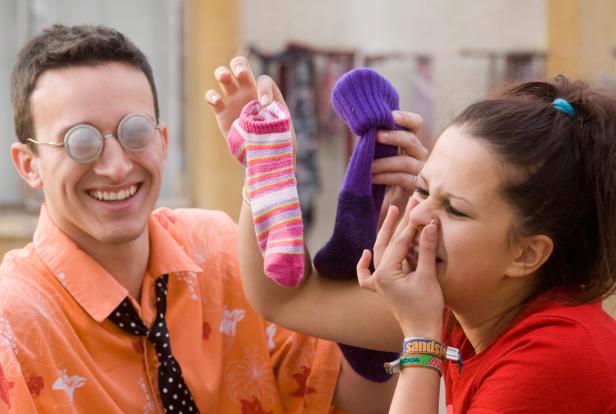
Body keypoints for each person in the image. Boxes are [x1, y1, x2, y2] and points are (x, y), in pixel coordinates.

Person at [0, 24, 426, 413]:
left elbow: (357, 401)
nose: (116, 167)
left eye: (134, 133)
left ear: (163, 143)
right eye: (81, 142)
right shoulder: (11, 327)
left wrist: (387, 226)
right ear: (28, 164)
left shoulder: (220, 249)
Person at [209, 64, 616, 413]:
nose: (418, 215)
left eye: (454, 209)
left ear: (527, 254)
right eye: (422, 190)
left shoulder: (557, 357)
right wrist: (267, 171)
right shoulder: (472, 304)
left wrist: (421, 338)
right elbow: (285, 299)